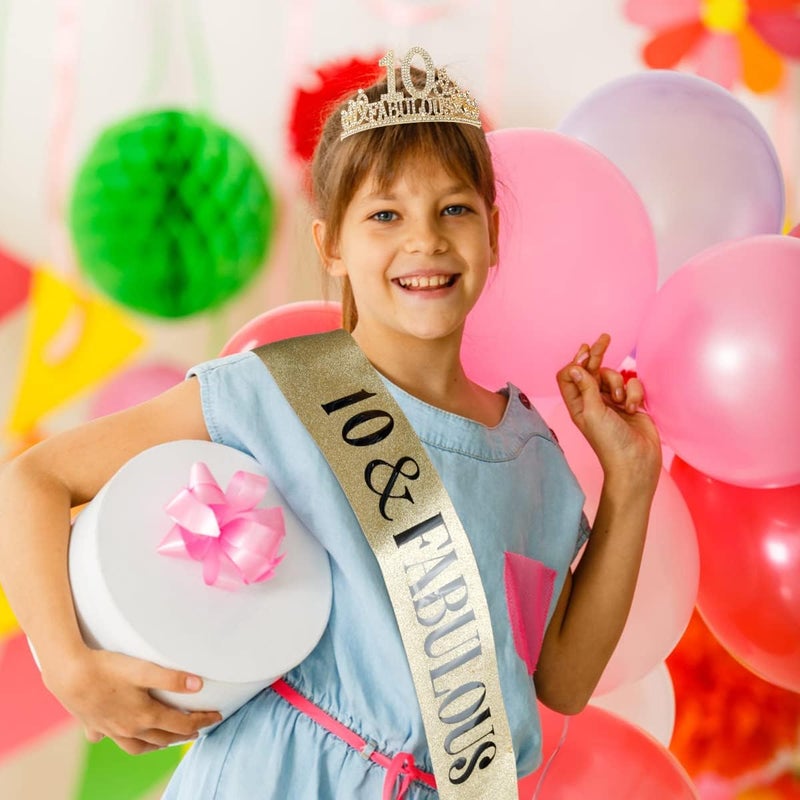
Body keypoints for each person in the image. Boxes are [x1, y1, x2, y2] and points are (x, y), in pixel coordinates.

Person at [0, 49, 661, 799]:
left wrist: (631, 484)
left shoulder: (531, 455)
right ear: (331, 247)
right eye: (385, 215)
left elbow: (563, 680)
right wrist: (69, 668)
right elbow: (32, 482)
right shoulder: (281, 392)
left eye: (455, 209)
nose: (425, 240)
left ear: (494, 233)